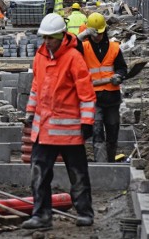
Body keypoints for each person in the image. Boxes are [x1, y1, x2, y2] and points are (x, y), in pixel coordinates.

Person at [22, 13, 96, 229]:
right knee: (39, 174)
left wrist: (87, 122)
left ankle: (84, 212)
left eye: (50, 39)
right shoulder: (40, 57)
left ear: (62, 36)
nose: (47, 43)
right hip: (44, 130)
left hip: (69, 131)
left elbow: (87, 94)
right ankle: (41, 215)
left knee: (78, 173)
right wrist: (30, 112)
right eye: (44, 38)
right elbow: (36, 87)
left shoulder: (73, 58)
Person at [77, 13, 128, 163]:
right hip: (93, 98)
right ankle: (101, 165)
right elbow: (68, 48)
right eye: (94, 34)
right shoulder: (84, 47)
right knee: (97, 133)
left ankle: (111, 163)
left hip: (112, 98)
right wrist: (81, 35)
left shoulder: (114, 47)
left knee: (112, 133)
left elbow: (122, 68)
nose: (97, 37)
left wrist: (118, 76)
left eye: (100, 33)